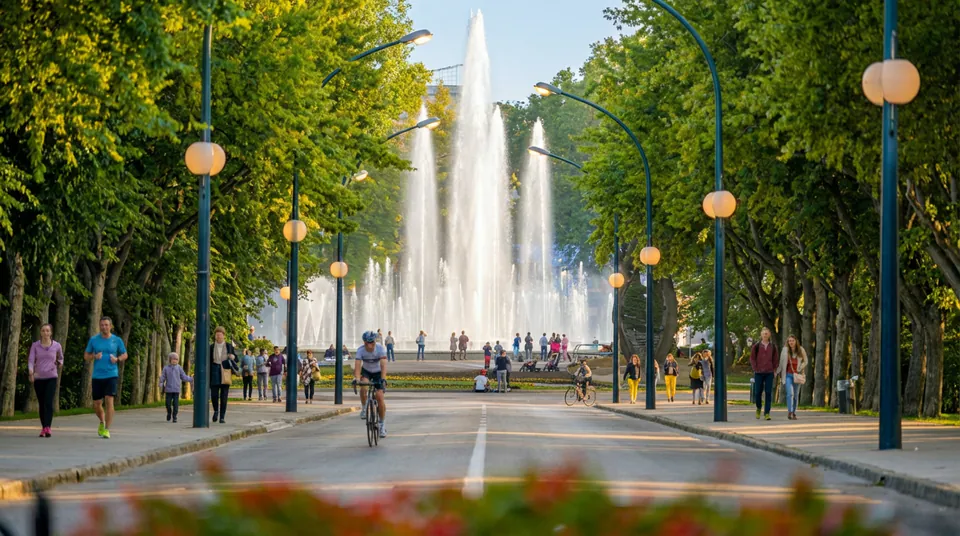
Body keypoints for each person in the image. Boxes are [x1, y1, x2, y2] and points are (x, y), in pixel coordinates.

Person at [84, 317, 128, 439]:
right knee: (97, 404)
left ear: (111, 326)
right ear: (99, 326)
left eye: (106, 325)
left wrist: (117, 359)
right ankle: (102, 422)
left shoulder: (116, 340)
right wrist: (94, 356)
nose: (104, 327)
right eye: (102, 325)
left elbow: (125, 354)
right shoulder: (94, 340)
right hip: (97, 375)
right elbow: (86, 356)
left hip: (111, 374)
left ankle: (107, 429)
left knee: (109, 400)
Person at [28, 324, 63, 437]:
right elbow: (31, 359)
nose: (45, 333)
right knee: (42, 403)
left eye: (47, 331)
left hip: (51, 376)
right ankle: (44, 427)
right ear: (41, 333)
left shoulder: (57, 346)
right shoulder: (35, 345)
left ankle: (48, 427)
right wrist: (30, 372)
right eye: (43, 330)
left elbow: (61, 358)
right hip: (39, 377)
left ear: (51, 333)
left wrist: (58, 363)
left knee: (48, 402)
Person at [354, 331, 388, 438]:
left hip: (378, 372)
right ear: (364, 342)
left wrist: (383, 379)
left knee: (379, 397)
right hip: (367, 371)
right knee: (363, 385)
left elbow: (383, 365)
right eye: (367, 342)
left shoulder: (380, 349)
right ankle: (364, 407)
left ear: (375, 341)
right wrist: (357, 378)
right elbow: (358, 365)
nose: (370, 345)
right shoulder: (360, 350)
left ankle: (382, 424)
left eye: (372, 342)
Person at [209, 326, 238, 423]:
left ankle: (222, 416)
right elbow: (208, 360)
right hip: (214, 370)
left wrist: (233, 357)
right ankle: (216, 411)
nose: (219, 336)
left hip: (225, 371)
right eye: (217, 335)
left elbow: (236, 359)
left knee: (224, 395)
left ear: (224, 335)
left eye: (220, 334)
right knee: (214, 394)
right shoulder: (211, 347)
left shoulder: (229, 346)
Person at [750, 327, 779, 420]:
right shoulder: (756, 346)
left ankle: (767, 413)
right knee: (758, 392)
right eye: (764, 333)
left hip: (769, 372)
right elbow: (752, 358)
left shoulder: (773, 347)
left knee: (768, 392)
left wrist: (774, 370)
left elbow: (775, 359)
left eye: (767, 333)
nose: (765, 335)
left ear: (769, 335)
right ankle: (758, 408)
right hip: (759, 372)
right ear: (761, 335)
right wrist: (755, 368)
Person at [778, 335, 808, 420]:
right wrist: (776, 372)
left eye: (792, 340)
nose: (791, 342)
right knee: (790, 393)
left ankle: (794, 412)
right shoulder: (785, 350)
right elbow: (781, 362)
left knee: (795, 395)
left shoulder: (801, 350)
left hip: (797, 375)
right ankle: (790, 411)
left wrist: (800, 367)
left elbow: (806, 361)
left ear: (796, 341)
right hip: (788, 375)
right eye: (789, 341)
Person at [159, 352, 193, 423]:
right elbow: (163, 377)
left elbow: (183, 376)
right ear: (170, 360)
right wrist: (161, 383)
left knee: (176, 404)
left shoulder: (179, 368)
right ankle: (169, 412)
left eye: (176, 359)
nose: (175, 361)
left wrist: (191, 379)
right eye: (173, 359)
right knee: (168, 403)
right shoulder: (166, 368)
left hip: (176, 389)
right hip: (168, 389)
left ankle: (174, 416)